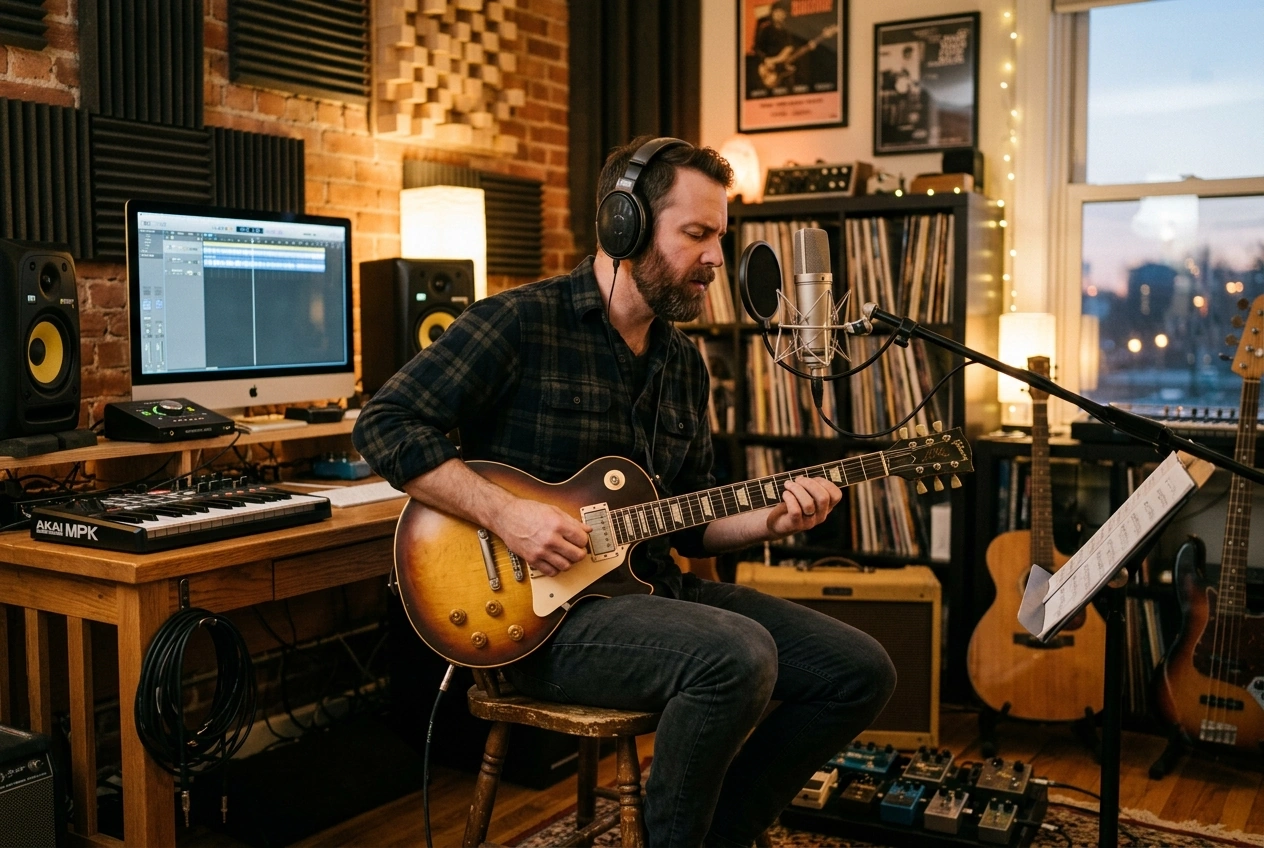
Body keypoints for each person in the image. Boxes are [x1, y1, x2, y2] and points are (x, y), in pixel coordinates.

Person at [352, 136, 896, 848]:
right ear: (624, 226)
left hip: (651, 594)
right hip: (539, 624)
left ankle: (719, 832)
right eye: (696, 234)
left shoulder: (684, 365)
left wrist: (766, 521)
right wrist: (508, 515)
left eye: (720, 238)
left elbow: (691, 523)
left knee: (860, 671)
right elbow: (386, 424)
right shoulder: (520, 322)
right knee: (735, 655)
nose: (716, 261)